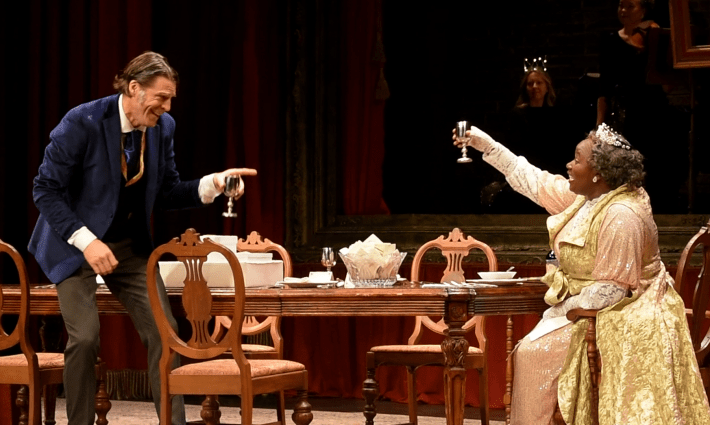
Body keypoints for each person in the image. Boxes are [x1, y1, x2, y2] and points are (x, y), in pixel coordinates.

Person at [28, 51, 257, 425]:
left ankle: (172, 422)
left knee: (165, 334)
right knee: (85, 339)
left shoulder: (162, 127)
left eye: (171, 99)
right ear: (134, 88)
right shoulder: (83, 120)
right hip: (73, 244)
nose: (167, 108)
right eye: (161, 97)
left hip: (128, 246)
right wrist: (87, 241)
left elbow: (166, 192)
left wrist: (213, 184)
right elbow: (45, 189)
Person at [453, 124, 710, 424]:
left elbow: (612, 290)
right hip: (590, 304)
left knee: (533, 352)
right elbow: (534, 181)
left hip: (626, 310)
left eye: (577, 159)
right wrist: (487, 145)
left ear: (598, 172)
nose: (568, 165)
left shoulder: (621, 214)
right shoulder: (588, 199)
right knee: (531, 347)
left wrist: (561, 309)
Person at [596, 0, 684, 212]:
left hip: (653, 110)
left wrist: (654, 39)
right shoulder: (610, 41)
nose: (623, 10)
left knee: (656, 166)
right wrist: (599, 124)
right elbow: (604, 87)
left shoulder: (654, 37)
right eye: (621, 5)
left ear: (643, 10)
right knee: (626, 169)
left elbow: (668, 82)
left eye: (630, 6)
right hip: (624, 113)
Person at [483, 67, 571, 213]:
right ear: (525, 88)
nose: (534, 87)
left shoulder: (557, 116)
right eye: (530, 84)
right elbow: (512, 146)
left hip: (550, 171)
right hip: (524, 170)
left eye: (539, 83)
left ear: (547, 87)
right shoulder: (517, 115)